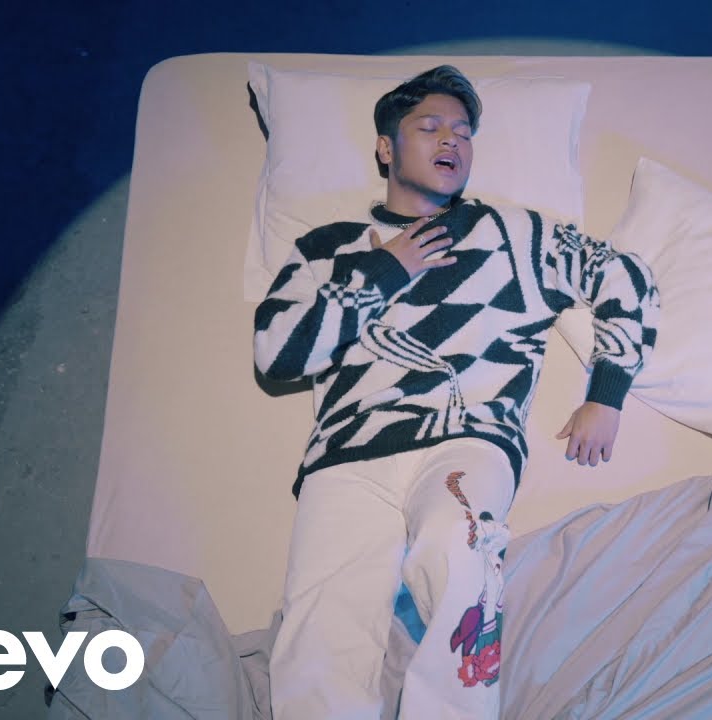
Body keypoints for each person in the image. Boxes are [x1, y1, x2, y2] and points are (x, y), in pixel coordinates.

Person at [254, 65, 659, 720]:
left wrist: (607, 391)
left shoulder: (515, 234)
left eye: (464, 132)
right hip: (347, 457)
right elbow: (278, 354)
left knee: (460, 553)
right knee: (321, 627)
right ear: (386, 148)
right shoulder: (327, 248)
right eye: (430, 126)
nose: (452, 140)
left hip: (465, 439)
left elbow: (624, 276)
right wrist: (388, 268)